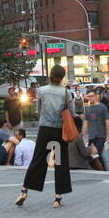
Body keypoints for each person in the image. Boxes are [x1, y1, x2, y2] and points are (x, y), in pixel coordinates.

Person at [15, 64, 75, 207]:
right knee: (60, 162)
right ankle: (57, 197)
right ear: (62, 77)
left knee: (38, 160)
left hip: (45, 130)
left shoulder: (41, 91)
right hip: (59, 131)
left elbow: (38, 110)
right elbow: (71, 113)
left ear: (51, 75)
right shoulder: (66, 93)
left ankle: (24, 190)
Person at [83, 87, 109, 162]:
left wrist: (108, 136)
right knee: (93, 155)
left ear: (95, 96)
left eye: (92, 96)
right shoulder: (88, 109)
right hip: (91, 136)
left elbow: (107, 122)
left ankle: (102, 170)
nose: (90, 98)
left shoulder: (102, 107)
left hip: (101, 135)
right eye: (88, 96)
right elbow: (86, 123)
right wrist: (84, 137)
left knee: (98, 154)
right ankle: (100, 170)